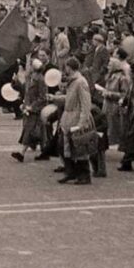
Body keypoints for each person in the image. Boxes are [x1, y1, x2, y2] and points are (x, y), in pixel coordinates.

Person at [52, 57, 94, 185]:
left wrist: (82, 123)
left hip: (76, 118)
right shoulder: (73, 82)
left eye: (66, 67)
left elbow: (85, 104)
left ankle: (84, 175)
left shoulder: (80, 82)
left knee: (79, 148)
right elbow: (70, 99)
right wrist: (55, 98)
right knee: (65, 147)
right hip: (68, 118)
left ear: (70, 67)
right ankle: (71, 172)